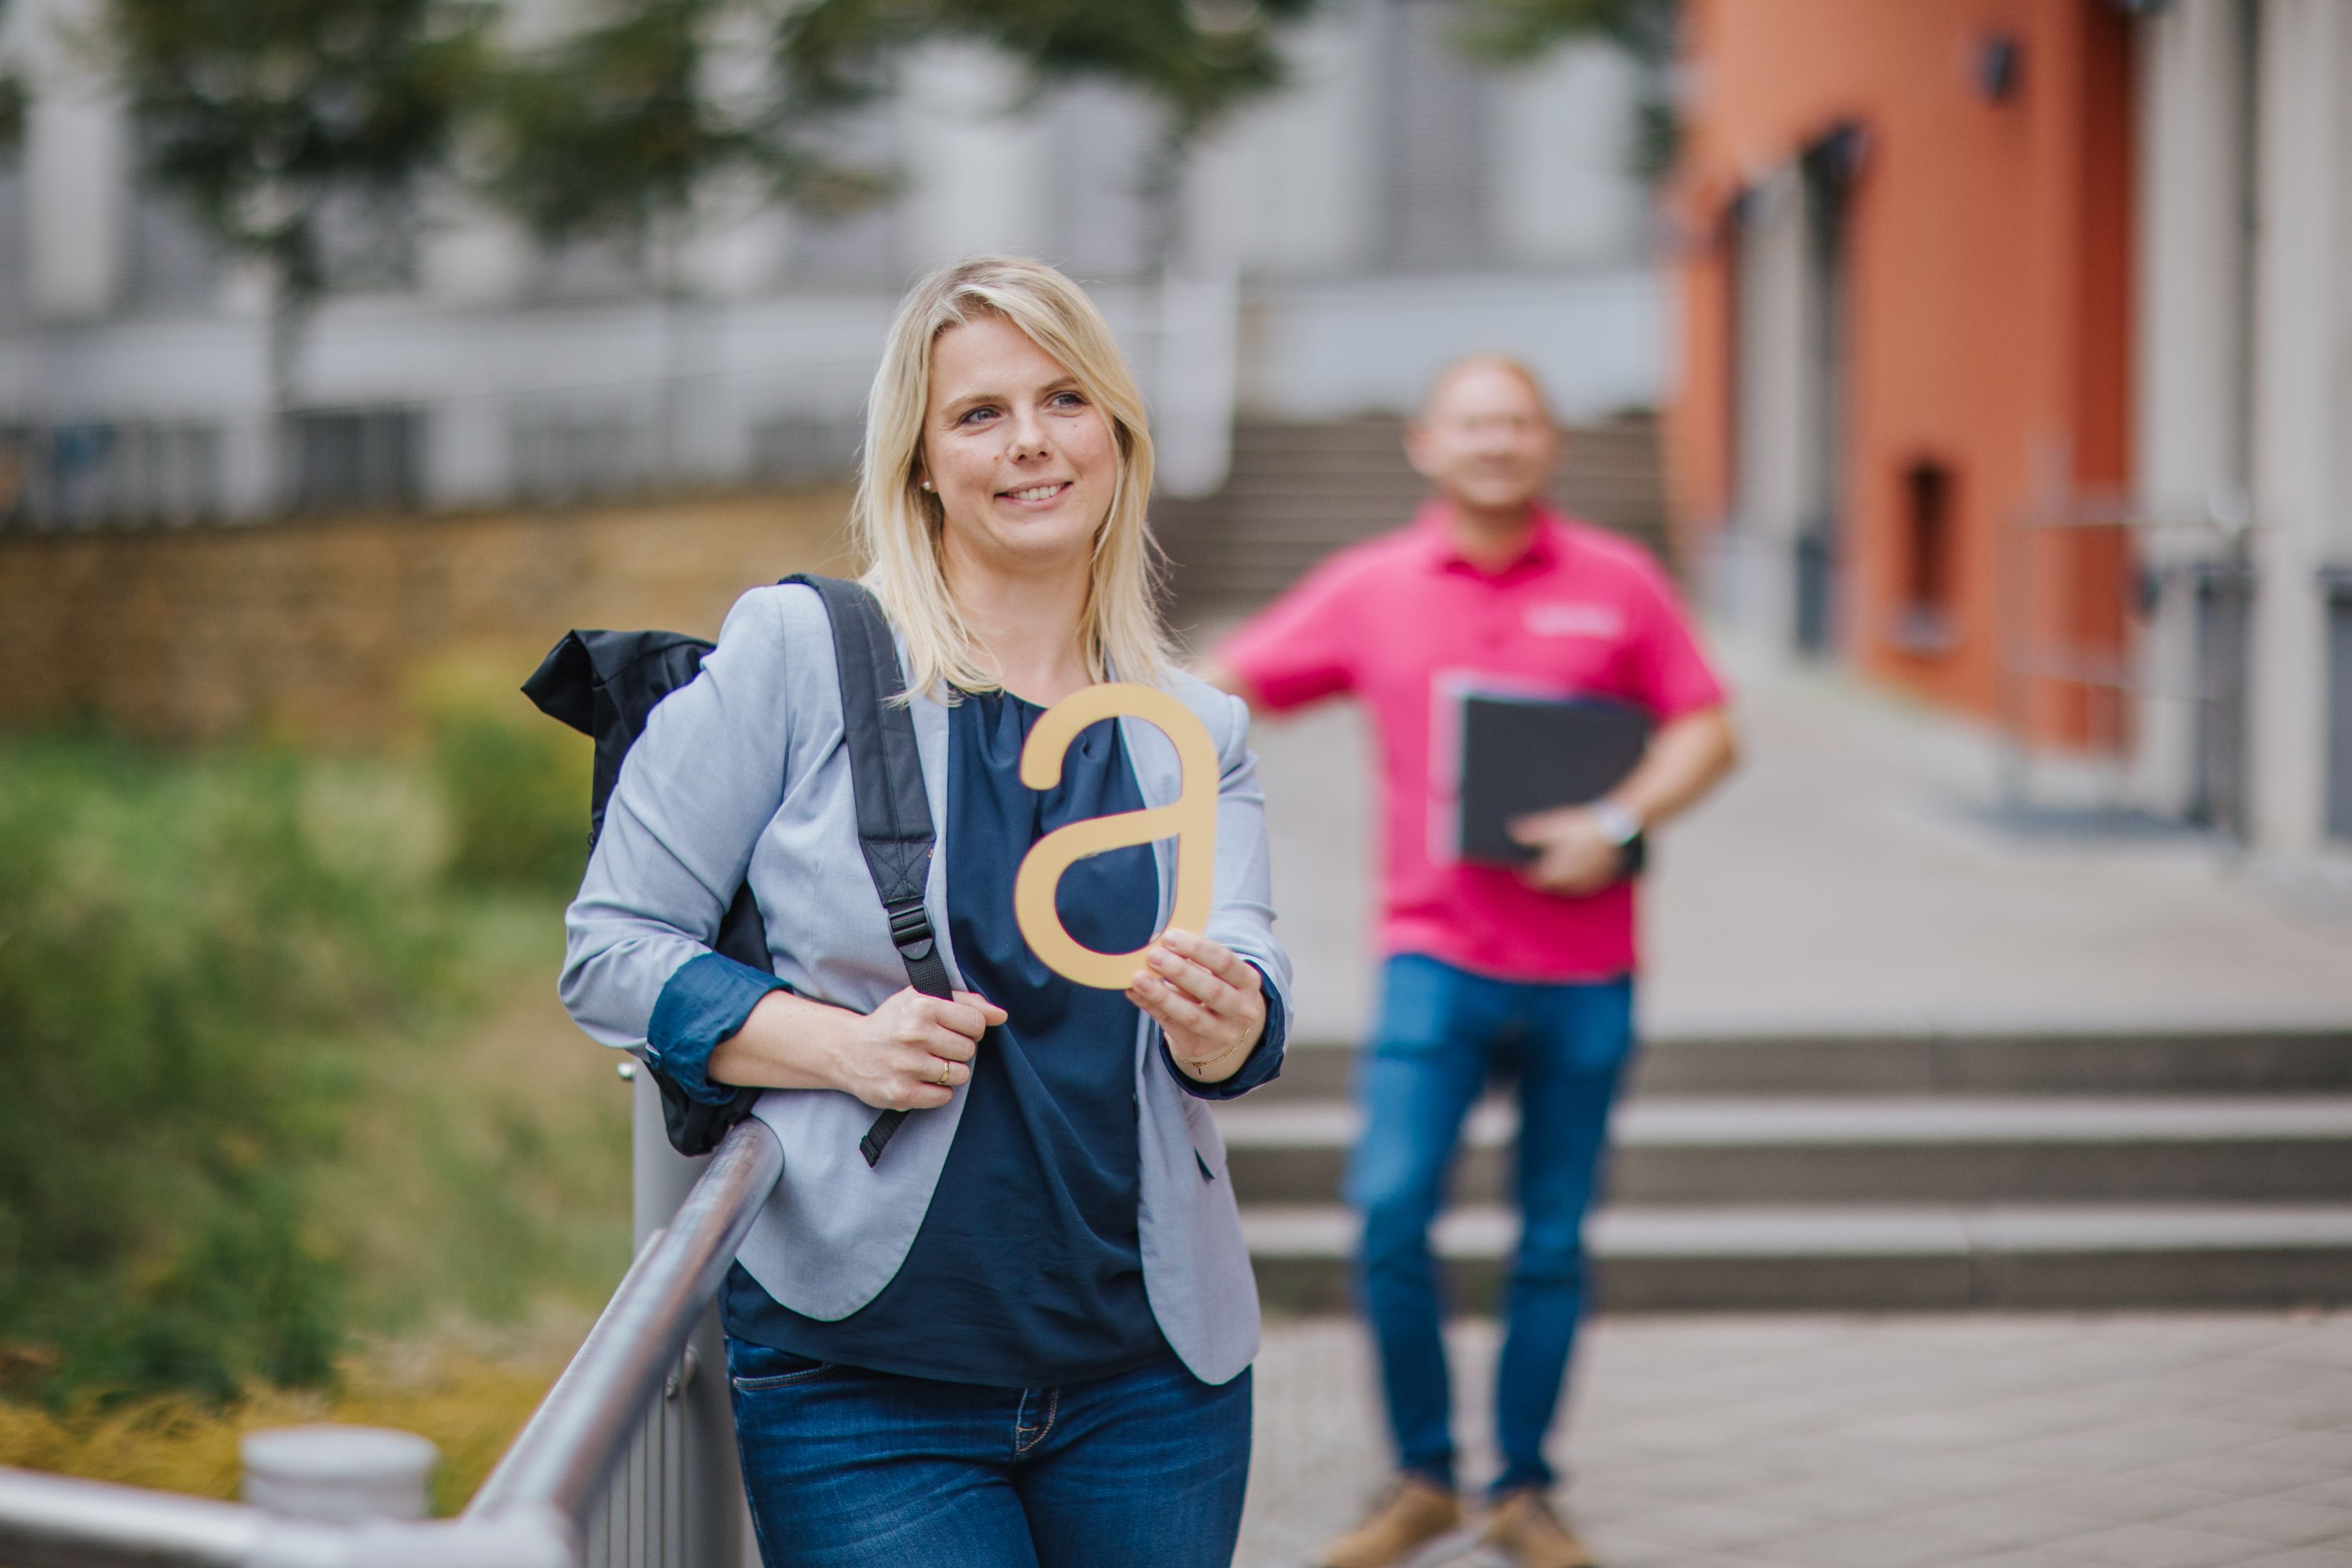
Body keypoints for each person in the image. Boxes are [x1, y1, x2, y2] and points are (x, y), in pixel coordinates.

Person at [562, 255, 1293, 1568]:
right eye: (979, 414)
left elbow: (1244, 996)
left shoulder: (1196, 729)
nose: (1030, 443)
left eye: (1066, 400)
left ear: (1118, 440)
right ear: (919, 463)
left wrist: (1226, 1023)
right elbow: (610, 948)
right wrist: (837, 1047)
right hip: (868, 1390)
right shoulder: (801, 654)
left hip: (1152, 1385)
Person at [1204, 357, 1735, 1568]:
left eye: (1516, 421)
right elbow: (1223, 686)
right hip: (1432, 961)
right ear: (1426, 445)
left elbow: (1709, 724)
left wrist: (1621, 825)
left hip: (1585, 969)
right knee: (1389, 1217)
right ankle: (1427, 1478)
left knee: (1552, 1240)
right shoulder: (1371, 587)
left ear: (1547, 442)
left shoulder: (1622, 583)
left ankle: (1527, 1490)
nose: (1495, 441)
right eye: (1472, 423)